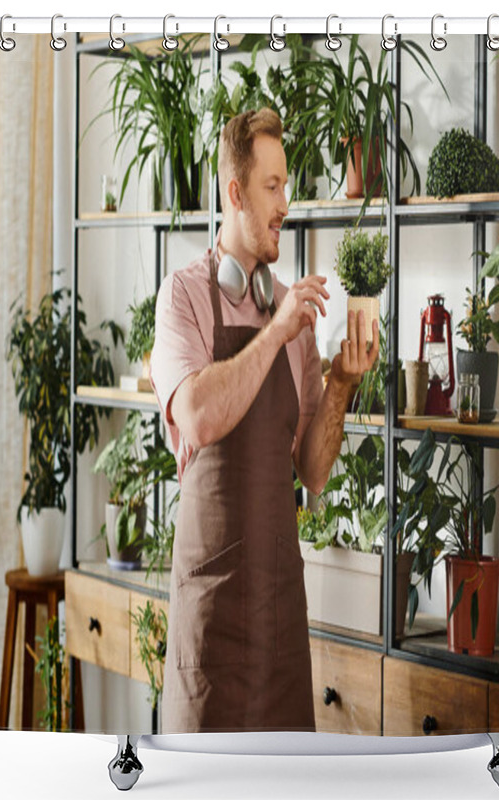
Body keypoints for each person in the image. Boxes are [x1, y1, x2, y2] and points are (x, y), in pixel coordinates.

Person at [149, 108, 379, 733]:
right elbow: (196, 415)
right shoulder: (184, 297)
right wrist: (276, 332)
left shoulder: (291, 313)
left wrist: (340, 385)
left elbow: (312, 470)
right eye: (272, 187)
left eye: (288, 185)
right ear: (235, 192)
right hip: (211, 626)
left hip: (280, 623)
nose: (286, 203)